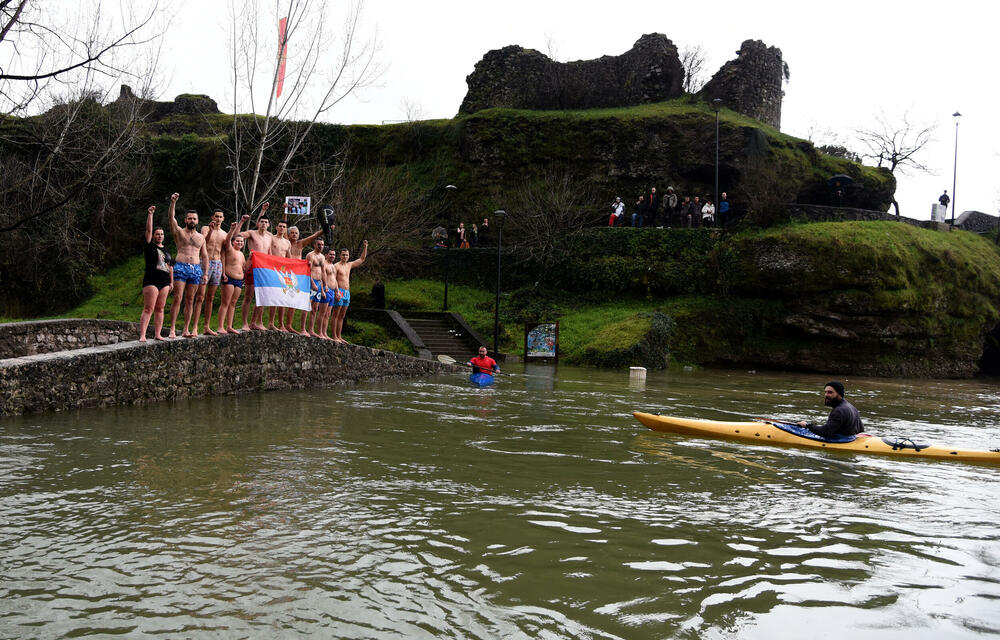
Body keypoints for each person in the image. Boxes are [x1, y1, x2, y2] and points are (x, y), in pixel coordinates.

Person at [166, 193, 208, 338]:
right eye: (189, 218)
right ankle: (172, 328)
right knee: (178, 297)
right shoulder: (179, 233)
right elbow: (171, 219)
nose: (192, 220)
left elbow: (204, 256)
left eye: (194, 218)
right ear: (185, 220)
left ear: (197, 221)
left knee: (190, 300)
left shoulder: (201, 237)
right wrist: (173, 202)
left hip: (195, 269)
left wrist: (205, 273)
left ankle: (185, 329)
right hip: (181, 266)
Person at [236, 202, 274, 331]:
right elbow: (238, 235)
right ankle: (245, 323)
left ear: (268, 225)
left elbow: (270, 253)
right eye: (261, 221)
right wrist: (240, 223)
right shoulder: (252, 233)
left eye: (265, 222)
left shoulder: (269, 237)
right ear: (258, 223)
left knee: (263, 297)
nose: (263, 224)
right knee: (248, 296)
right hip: (252, 266)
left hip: (264, 268)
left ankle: (254, 322)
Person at [139, 205, 173, 342]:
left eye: (162, 234)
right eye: (157, 234)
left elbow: (171, 266)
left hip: (165, 282)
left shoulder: (167, 250)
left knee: (160, 308)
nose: (160, 236)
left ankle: (158, 334)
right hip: (151, 280)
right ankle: (142, 335)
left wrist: (171, 282)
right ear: (153, 236)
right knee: (149, 308)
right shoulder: (149, 246)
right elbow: (148, 229)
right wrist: (150, 214)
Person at [284, 220, 325, 333]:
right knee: (283, 298)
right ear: (288, 234)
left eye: (296, 233)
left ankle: (289, 325)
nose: (294, 235)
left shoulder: (301, 243)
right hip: (286, 273)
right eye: (292, 233)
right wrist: (285, 212)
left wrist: (325, 228)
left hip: (298, 274)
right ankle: (282, 324)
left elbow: (315, 236)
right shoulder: (285, 242)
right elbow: (283, 226)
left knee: (294, 300)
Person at [330, 240, 368, 343]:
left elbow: (361, 259)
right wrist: (336, 292)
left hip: (347, 292)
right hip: (339, 291)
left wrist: (365, 246)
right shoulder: (336, 266)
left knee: (342, 315)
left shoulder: (349, 265)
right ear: (340, 255)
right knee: (336, 314)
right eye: (343, 255)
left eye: (346, 255)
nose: (345, 257)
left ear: (349, 256)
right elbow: (333, 280)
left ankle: (339, 335)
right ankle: (334, 336)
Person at [218, 215, 250, 334]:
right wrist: (232, 229)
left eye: (242, 241)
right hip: (229, 278)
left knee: (233, 303)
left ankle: (229, 326)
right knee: (225, 302)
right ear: (233, 242)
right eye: (238, 241)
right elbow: (227, 240)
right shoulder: (230, 249)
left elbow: (245, 268)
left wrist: (250, 259)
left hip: (239, 281)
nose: (240, 243)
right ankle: (220, 326)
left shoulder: (241, 254)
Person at [797, 381, 863, 439]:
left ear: (839, 394)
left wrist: (807, 425)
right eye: (825, 392)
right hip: (851, 438)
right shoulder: (851, 406)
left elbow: (826, 432)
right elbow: (860, 429)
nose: (826, 395)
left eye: (830, 392)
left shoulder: (838, 411)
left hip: (842, 442)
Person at [197, 208, 227, 336]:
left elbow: (224, 253)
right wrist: (210, 230)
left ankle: (206, 326)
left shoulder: (224, 234)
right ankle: (194, 327)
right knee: (200, 297)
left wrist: (224, 272)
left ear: (223, 218)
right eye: (216, 216)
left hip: (217, 263)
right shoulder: (205, 228)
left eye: (220, 217)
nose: (218, 219)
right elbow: (202, 241)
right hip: (205, 262)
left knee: (210, 297)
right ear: (212, 217)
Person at [305, 238, 328, 337]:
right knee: (307, 306)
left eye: (322, 245)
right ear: (315, 245)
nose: (321, 246)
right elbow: (307, 270)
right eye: (319, 244)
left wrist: (324, 286)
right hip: (311, 282)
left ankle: (311, 330)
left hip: (319, 283)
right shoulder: (311, 255)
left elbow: (323, 272)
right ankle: (303, 328)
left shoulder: (322, 257)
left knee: (315, 308)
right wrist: (312, 283)